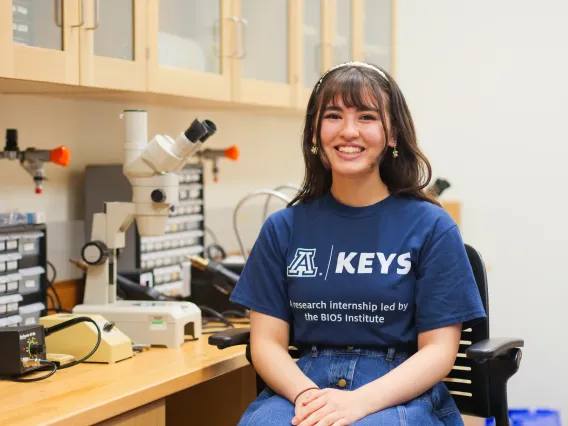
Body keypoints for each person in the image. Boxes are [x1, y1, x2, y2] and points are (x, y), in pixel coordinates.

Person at [229, 61, 487, 426]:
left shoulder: (431, 226)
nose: (349, 131)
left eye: (367, 117)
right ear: (316, 133)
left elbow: (439, 352)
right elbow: (267, 343)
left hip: (397, 389)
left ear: (393, 134)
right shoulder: (283, 229)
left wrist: (359, 403)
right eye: (333, 116)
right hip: (304, 386)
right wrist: (307, 397)